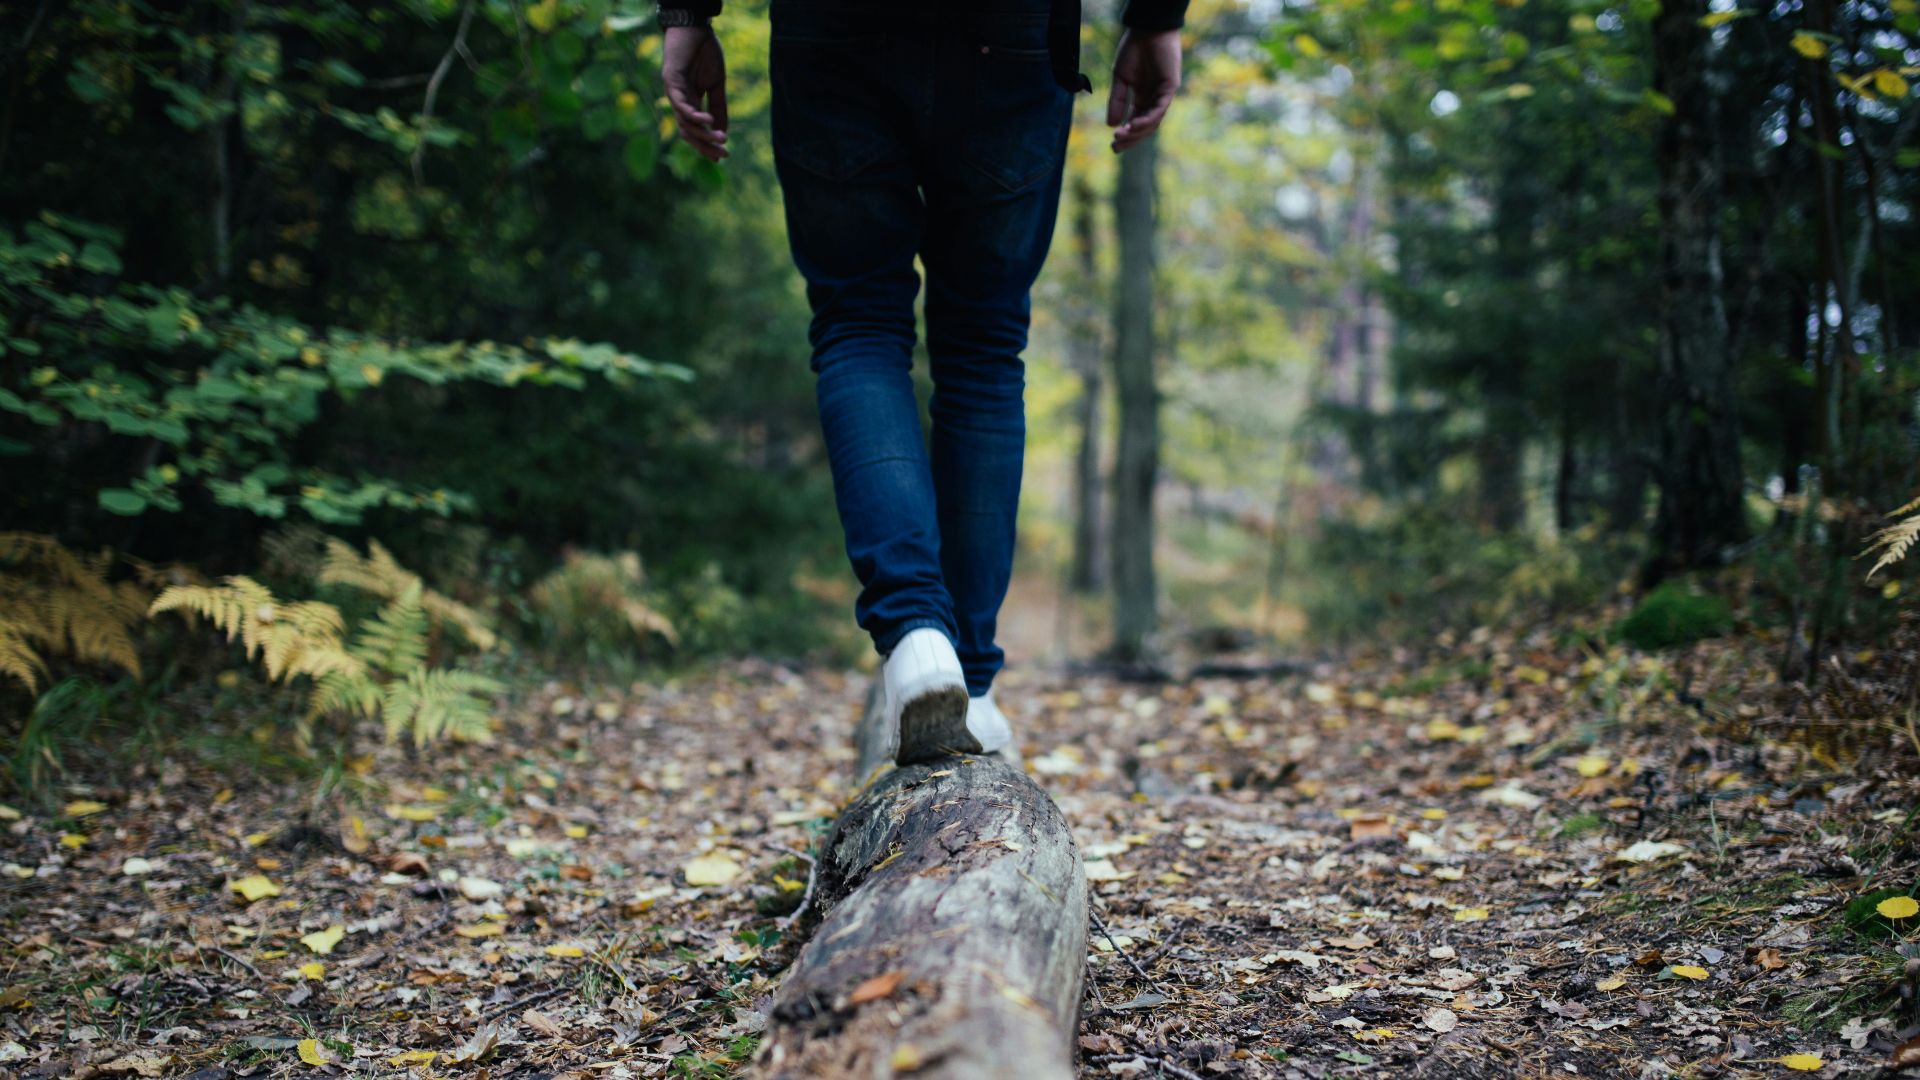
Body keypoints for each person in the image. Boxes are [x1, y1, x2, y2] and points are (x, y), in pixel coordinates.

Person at [658, 0, 1186, 764]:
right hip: (1010, 33)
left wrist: (685, 13)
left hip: (830, 29)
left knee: (859, 325)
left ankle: (916, 641)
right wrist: (1158, 18)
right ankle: (968, 681)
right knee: (983, 348)